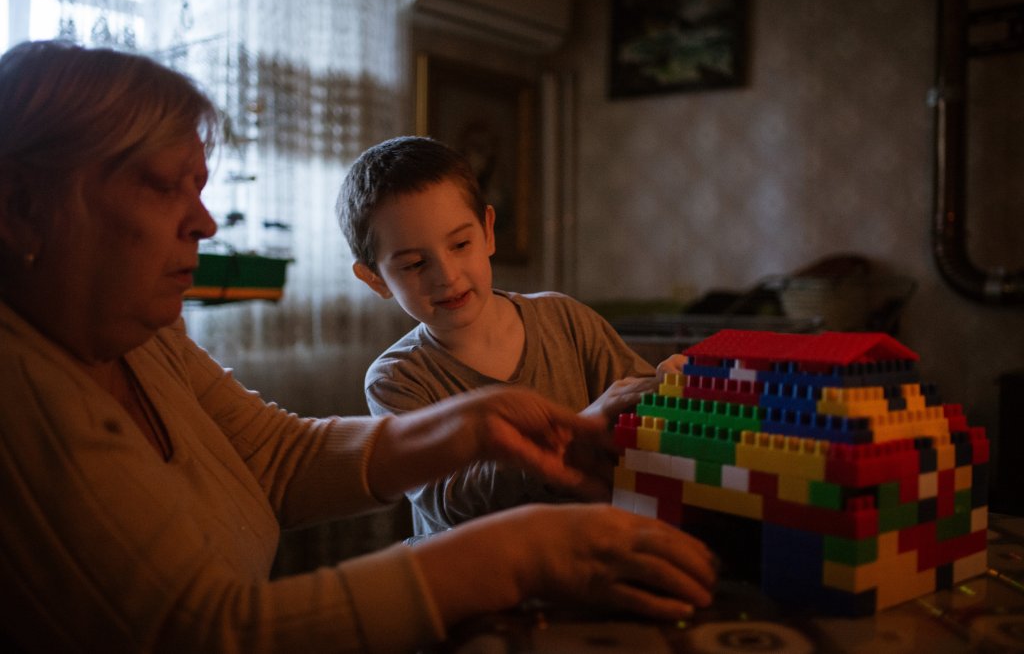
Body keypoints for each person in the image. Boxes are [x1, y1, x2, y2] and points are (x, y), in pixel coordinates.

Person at [0, 40, 716, 653]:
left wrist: (477, 424)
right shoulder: (21, 394)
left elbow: (279, 460)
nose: (206, 223)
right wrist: (519, 551)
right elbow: (211, 632)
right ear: (23, 207)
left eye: (202, 188)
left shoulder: (145, 340)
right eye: (164, 188)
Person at [337, 136, 679, 536]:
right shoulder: (397, 379)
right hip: (478, 580)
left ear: (488, 231)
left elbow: (637, 416)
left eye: (461, 244)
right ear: (375, 278)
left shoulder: (565, 319)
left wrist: (669, 394)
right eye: (414, 264)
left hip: (593, 552)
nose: (447, 276)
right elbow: (450, 501)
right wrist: (570, 436)